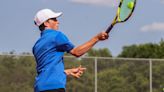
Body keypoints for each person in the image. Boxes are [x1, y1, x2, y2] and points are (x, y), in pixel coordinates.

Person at [33, 9, 109, 92]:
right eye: (54, 19)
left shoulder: (37, 45)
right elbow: (76, 52)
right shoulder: (56, 35)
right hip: (54, 88)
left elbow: (47, 69)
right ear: (46, 23)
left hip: (39, 87)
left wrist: (68, 72)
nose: (57, 22)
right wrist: (97, 38)